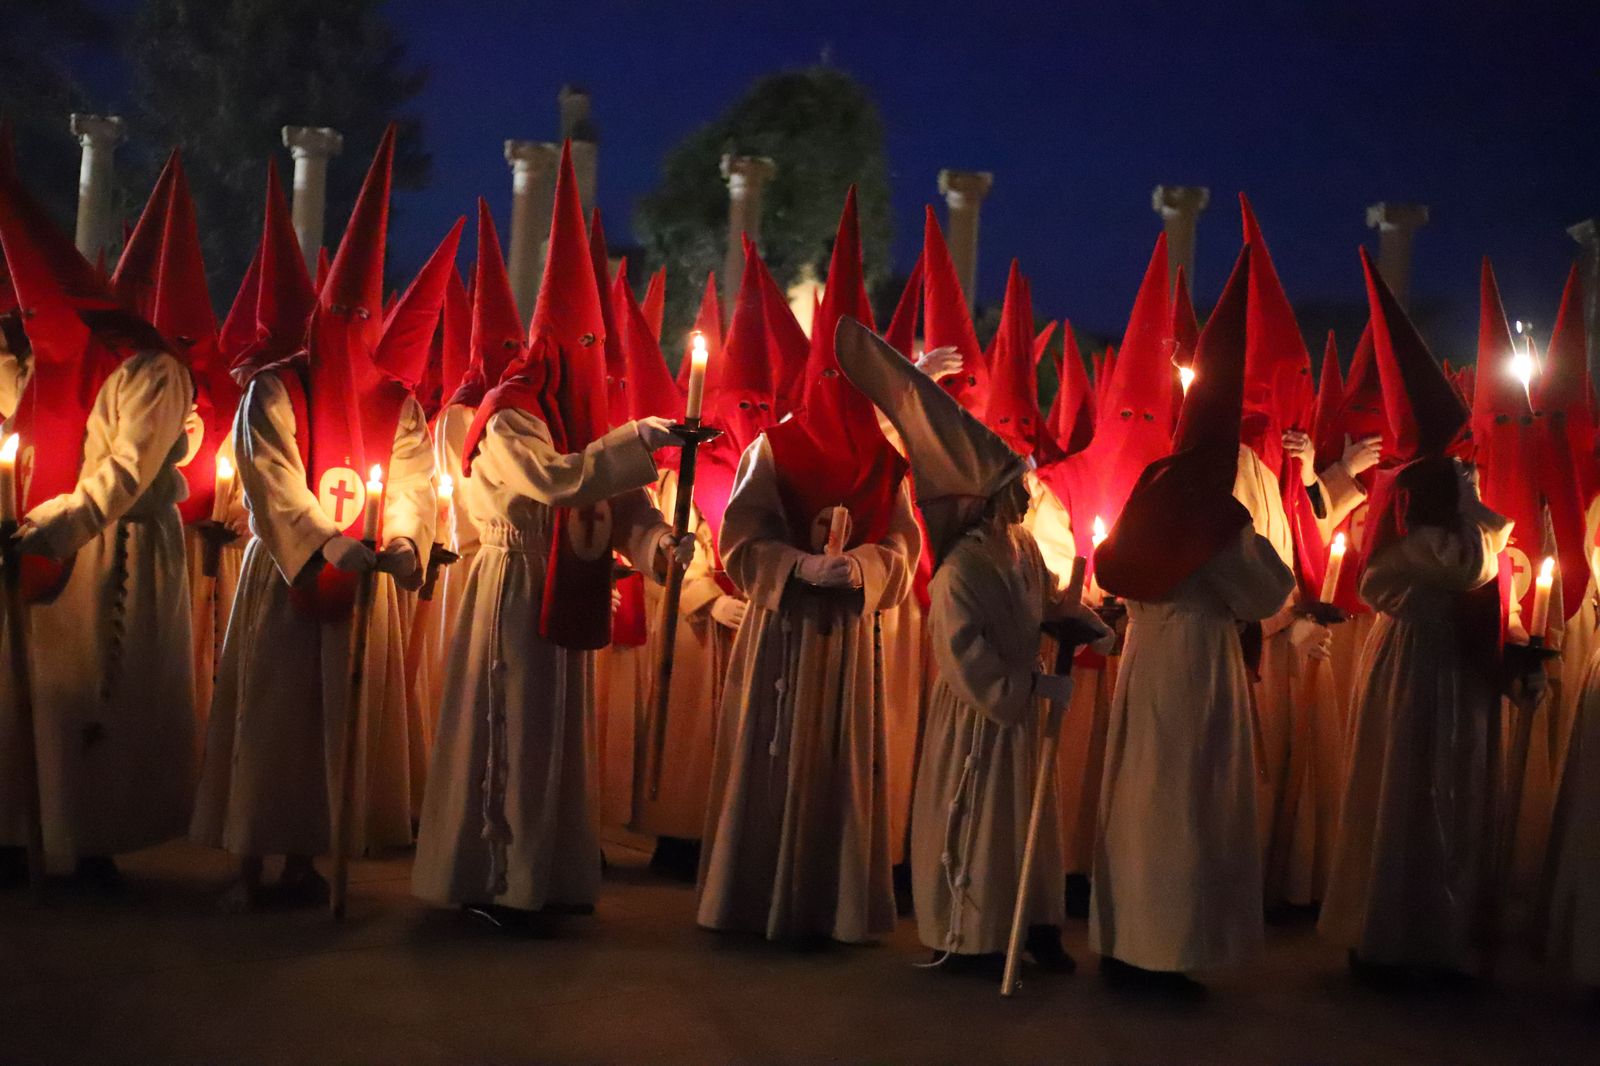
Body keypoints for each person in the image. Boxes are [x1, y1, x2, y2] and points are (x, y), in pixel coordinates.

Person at [411, 144, 691, 925]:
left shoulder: (573, 413)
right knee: (512, 727)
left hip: (563, 583)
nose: (595, 361)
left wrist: (660, 546)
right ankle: (499, 878)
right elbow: (559, 481)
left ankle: (553, 874)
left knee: (557, 736)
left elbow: (619, 501)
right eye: (587, 347)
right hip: (513, 584)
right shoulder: (509, 413)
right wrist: (637, 435)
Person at [191, 132, 442, 910]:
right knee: (270, 720)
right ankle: (249, 861)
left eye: (362, 315)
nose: (349, 326)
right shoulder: (274, 388)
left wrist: (402, 541)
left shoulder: (395, 402)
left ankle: (309, 857)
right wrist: (329, 543)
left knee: (336, 723)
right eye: (340, 313)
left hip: (362, 584)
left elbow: (412, 481)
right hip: (286, 575)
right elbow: (270, 477)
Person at [838, 315, 1110, 975]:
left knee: (1028, 825)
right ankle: (971, 933)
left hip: (1019, 715)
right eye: (1017, 486)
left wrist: (1092, 623)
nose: (1029, 494)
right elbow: (964, 655)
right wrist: (1028, 686)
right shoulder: (961, 568)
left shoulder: (1020, 548)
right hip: (980, 719)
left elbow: (1049, 601)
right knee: (980, 824)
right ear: (988, 497)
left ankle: (1032, 922)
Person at [697, 190, 919, 944]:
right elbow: (740, 538)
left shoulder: (887, 461)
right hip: (783, 630)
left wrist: (865, 568)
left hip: (851, 636)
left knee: (839, 760)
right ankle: (755, 897)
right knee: (773, 750)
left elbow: (905, 544)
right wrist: (796, 566)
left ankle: (835, 905)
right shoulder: (774, 447)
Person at [1319, 249, 1535, 984]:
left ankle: (1426, 933)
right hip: (1422, 659)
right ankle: (1398, 939)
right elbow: (1465, 564)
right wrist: (1482, 515)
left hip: (1429, 653)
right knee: (1415, 793)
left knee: (1426, 791)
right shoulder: (1417, 489)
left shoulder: (1418, 482)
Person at [1089, 246, 1295, 998]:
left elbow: (1114, 562)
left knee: (1141, 796)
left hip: (1149, 655)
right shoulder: (1216, 508)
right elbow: (1268, 591)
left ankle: (1125, 942)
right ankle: (1163, 951)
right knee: (1181, 804)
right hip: (1198, 661)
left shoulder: (1156, 481)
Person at [0, 162, 196, 888]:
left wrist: (53, 526)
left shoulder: (149, 370)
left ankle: (93, 840)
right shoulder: (46, 357)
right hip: (38, 542)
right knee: (31, 693)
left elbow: (124, 473)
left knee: (99, 697)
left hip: (117, 548)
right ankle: (17, 831)